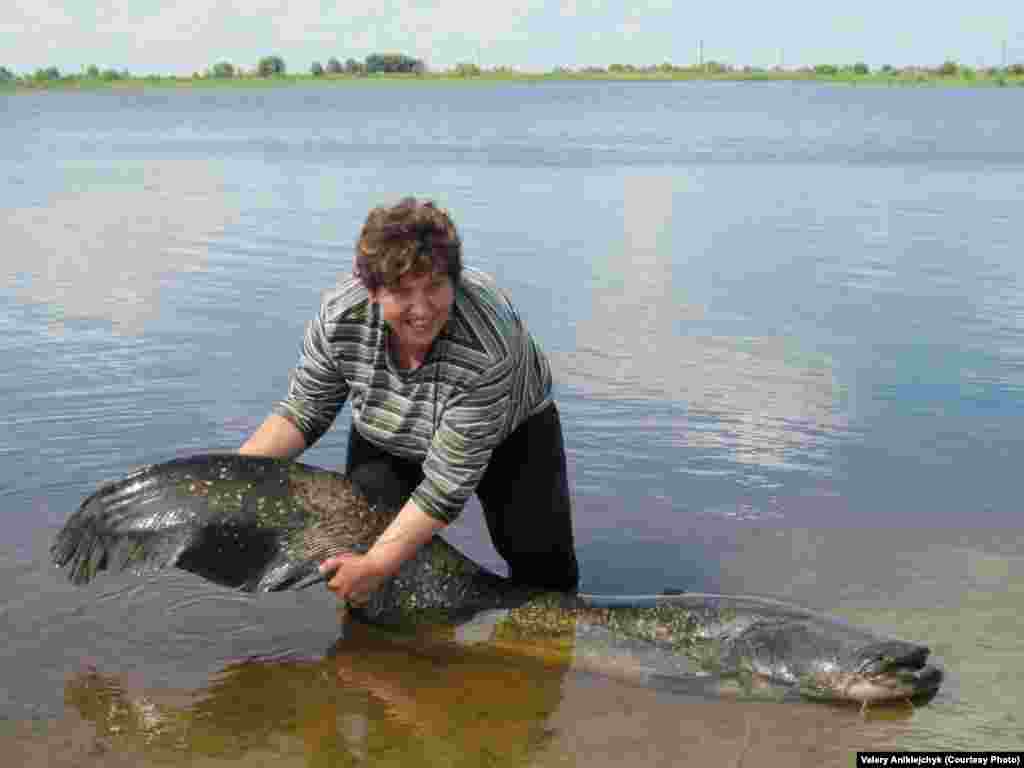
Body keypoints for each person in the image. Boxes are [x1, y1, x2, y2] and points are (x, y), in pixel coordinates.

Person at [239, 197, 578, 604]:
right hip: (389, 431)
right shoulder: (340, 319)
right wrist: (227, 480)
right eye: (401, 292)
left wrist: (378, 564)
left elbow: (445, 486)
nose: (422, 310)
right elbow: (304, 411)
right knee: (367, 565)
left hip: (511, 432)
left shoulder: (489, 344)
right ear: (372, 290)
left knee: (545, 573)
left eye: (435, 286)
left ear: (455, 281)